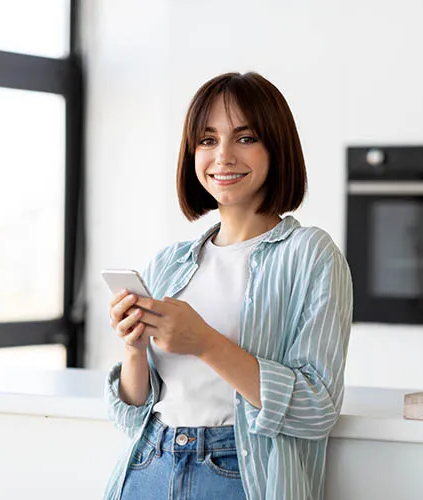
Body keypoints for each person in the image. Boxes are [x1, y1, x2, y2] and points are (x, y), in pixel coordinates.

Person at [103, 71, 353, 500]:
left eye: (245, 137)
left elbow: (317, 408)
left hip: (239, 474)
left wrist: (205, 343)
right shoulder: (170, 262)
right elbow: (132, 416)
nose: (223, 156)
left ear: (276, 147)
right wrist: (133, 348)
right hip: (149, 466)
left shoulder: (311, 254)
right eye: (206, 140)